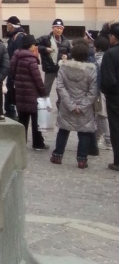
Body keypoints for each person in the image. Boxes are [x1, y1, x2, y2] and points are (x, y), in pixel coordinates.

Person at [50, 40, 98, 168]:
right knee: (84, 132)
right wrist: (82, 106)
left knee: (63, 130)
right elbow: (93, 92)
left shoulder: (64, 67)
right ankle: (82, 159)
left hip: (67, 105)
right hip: (85, 106)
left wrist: (70, 104)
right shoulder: (91, 70)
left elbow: (60, 87)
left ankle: (57, 155)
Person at [8, 34, 48, 150]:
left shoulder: (16, 56)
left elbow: (12, 73)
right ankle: (38, 143)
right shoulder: (31, 59)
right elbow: (37, 78)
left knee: (22, 119)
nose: (35, 47)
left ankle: (21, 142)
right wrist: (43, 92)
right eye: (34, 45)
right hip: (32, 94)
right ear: (29, 46)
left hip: (20, 93)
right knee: (36, 119)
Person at [99, 22, 119, 172]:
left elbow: (108, 80)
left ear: (113, 37)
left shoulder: (110, 54)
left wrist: (105, 91)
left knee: (116, 128)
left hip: (115, 97)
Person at [36, 18, 72, 98]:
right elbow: (34, 45)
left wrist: (67, 56)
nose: (59, 30)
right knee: (46, 88)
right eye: (57, 28)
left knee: (61, 88)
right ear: (53, 28)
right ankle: (44, 103)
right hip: (49, 68)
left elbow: (71, 52)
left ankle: (60, 104)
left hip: (61, 68)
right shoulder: (45, 38)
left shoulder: (66, 41)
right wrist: (45, 49)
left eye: (61, 28)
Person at [4, 15, 28, 118]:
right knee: (10, 88)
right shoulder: (15, 35)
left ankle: (13, 111)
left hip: (16, 68)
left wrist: (14, 68)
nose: (6, 26)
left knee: (13, 89)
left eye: (7, 24)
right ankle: (10, 110)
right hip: (13, 67)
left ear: (11, 25)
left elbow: (18, 53)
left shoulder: (18, 37)